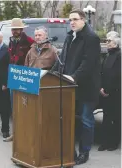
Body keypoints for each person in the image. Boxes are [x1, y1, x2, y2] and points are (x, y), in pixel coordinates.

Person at [52, 9, 101, 165]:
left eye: (75, 19)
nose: (72, 22)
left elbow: (88, 63)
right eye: (70, 20)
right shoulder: (69, 37)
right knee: (69, 119)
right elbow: (63, 59)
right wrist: (53, 73)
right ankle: (69, 150)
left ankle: (84, 152)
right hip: (69, 86)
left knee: (86, 120)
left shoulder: (91, 38)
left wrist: (74, 76)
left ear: (84, 20)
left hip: (86, 87)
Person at [3, 18, 34, 142]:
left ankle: (25, 134)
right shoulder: (11, 41)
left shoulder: (29, 41)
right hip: (13, 76)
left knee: (25, 107)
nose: (14, 31)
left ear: (21, 29)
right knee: (14, 107)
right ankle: (15, 133)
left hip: (24, 77)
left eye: (16, 29)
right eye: (13, 29)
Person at [98, 33, 121, 151]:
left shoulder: (119, 56)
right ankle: (105, 142)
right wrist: (101, 88)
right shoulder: (108, 55)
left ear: (115, 43)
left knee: (115, 118)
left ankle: (114, 142)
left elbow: (116, 76)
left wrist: (109, 90)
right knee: (106, 118)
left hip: (115, 92)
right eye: (106, 40)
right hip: (104, 91)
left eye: (109, 41)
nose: (106, 42)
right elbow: (102, 72)